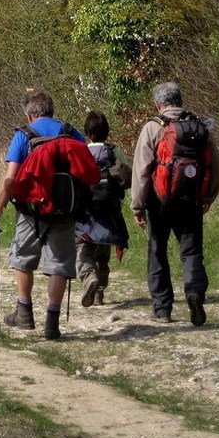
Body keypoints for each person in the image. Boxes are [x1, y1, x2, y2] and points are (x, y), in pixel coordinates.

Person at [0, 89, 87, 340]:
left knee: (23, 259)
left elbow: (11, 179)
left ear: (28, 114)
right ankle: (52, 322)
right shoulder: (71, 132)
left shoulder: (24, 135)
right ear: (51, 110)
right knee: (60, 265)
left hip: (31, 210)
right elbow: (86, 171)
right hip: (65, 209)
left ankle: (25, 314)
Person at [130, 82, 219, 326]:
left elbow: (141, 171)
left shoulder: (152, 127)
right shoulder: (199, 127)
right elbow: (214, 164)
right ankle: (194, 292)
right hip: (191, 200)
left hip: (159, 201)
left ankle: (162, 309)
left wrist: (137, 207)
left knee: (158, 251)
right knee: (191, 252)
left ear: (158, 104)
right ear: (180, 100)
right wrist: (208, 196)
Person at [75, 111, 131, 308]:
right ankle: (99, 294)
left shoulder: (80, 150)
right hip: (109, 209)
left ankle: (89, 278)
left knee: (83, 250)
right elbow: (125, 177)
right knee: (103, 253)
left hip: (86, 211)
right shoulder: (115, 151)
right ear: (107, 131)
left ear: (87, 132)